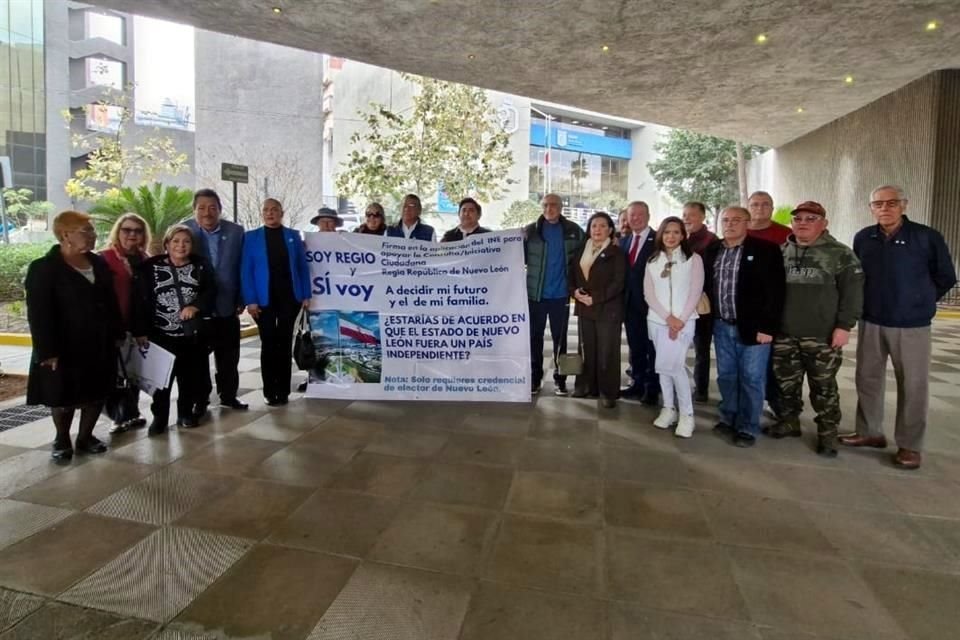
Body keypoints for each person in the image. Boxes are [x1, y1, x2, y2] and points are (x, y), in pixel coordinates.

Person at [841, 185, 957, 469]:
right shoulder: (864, 237)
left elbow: (946, 276)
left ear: (903, 205)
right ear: (871, 208)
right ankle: (870, 432)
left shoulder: (926, 237)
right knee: (868, 379)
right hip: (871, 320)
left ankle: (909, 445)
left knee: (913, 385)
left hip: (912, 325)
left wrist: (920, 300)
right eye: (878, 204)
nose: (885, 208)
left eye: (891, 203)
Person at [25, 211, 123, 461]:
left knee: (97, 391)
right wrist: (47, 351)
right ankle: (62, 438)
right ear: (65, 234)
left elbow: (110, 302)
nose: (92, 235)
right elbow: (39, 314)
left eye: (91, 231)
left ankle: (85, 436)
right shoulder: (44, 269)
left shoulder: (98, 263)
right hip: (64, 346)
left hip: (99, 342)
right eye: (85, 231)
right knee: (63, 396)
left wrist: (118, 331)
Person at [769, 201, 863, 457]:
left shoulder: (840, 254)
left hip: (822, 335)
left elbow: (853, 295)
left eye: (810, 219)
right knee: (786, 384)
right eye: (798, 218)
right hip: (785, 333)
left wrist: (844, 326)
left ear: (824, 223)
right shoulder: (781, 252)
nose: (802, 223)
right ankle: (789, 422)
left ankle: (827, 434)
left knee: (823, 388)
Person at [703, 206, 785, 447]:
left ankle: (748, 427)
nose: (729, 224)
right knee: (727, 376)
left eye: (736, 220)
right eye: (725, 220)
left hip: (753, 327)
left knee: (751, 378)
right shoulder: (713, 250)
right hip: (721, 324)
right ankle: (728, 418)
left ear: (747, 223)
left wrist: (768, 327)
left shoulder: (765, 251)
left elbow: (776, 292)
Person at [133, 225, 216, 434]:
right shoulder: (150, 267)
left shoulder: (201, 266)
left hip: (190, 336)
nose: (181, 245)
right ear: (167, 244)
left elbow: (210, 291)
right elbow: (139, 302)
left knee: (188, 378)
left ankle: (185, 414)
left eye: (186, 241)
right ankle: (159, 418)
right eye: (176, 241)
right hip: (160, 335)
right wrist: (140, 330)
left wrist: (195, 305)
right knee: (161, 381)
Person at [242, 198, 312, 406]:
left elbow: (301, 267)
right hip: (263, 302)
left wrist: (305, 294)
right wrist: (251, 300)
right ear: (262, 213)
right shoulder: (251, 238)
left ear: (282, 213)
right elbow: (246, 271)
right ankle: (269, 390)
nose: (270, 213)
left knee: (284, 344)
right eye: (266, 210)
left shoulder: (292, 236)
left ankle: (283, 391)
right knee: (268, 344)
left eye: (274, 210)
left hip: (289, 299)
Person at [183, 188, 247, 414]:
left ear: (220, 210)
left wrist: (242, 297)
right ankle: (201, 400)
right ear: (194, 210)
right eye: (201, 208)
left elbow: (242, 266)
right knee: (199, 358)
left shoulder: (236, 231)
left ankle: (229, 396)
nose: (207, 213)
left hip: (228, 303)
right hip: (197, 306)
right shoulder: (185, 231)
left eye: (212, 208)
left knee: (229, 356)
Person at [644, 216, 704, 438]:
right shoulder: (653, 260)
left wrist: (679, 320)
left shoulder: (693, 259)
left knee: (676, 367)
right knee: (663, 366)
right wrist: (667, 318)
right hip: (658, 321)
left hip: (684, 322)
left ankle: (687, 414)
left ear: (683, 235)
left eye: (676, 232)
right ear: (661, 234)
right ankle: (668, 408)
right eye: (667, 232)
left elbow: (695, 291)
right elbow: (648, 294)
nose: (671, 236)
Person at [523, 193, 585, 395]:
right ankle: (535, 378)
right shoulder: (530, 231)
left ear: (561, 207)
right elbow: (514, 257)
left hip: (561, 295)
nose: (549, 208)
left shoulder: (573, 231)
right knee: (534, 338)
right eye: (546, 205)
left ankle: (560, 379)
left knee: (561, 339)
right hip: (536, 295)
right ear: (541, 207)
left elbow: (588, 252)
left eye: (554, 205)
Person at [568, 212, 625, 408]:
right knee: (586, 349)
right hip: (584, 307)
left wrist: (596, 298)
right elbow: (571, 276)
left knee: (607, 351)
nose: (597, 230)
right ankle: (585, 386)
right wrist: (575, 292)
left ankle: (608, 392)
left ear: (610, 229)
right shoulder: (580, 250)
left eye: (602, 226)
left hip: (607, 309)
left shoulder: (616, 253)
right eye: (594, 226)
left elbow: (618, 283)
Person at [100, 213, 151, 434]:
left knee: (133, 373)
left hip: (138, 325)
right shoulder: (104, 258)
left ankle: (132, 413)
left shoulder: (145, 259)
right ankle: (117, 416)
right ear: (118, 232)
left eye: (137, 231)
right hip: (114, 325)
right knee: (114, 374)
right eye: (127, 230)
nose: (132, 235)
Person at [297, 206, 342, 393]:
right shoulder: (307, 244)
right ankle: (313, 377)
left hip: (340, 297)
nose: (327, 226)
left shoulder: (344, 242)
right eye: (323, 222)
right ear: (317, 225)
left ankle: (337, 376)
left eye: (331, 222)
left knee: (338, 340)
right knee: (316, 341)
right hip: (316, 298)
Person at [619, 201, 659, 404]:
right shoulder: (624, 241)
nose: (635, 219)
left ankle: (652, 389)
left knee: (653, 348)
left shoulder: (659, 240)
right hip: (630, 306)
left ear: (648, 216)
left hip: (653, 307)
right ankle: (637, 383)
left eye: (639, 215)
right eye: (631, 215)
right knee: (636, 348)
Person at [683, 201, 718, 403]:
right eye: (685, 214)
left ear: (703, 217)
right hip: (681, 301)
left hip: (702, 302)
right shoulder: (681, 238)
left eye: (692, 215)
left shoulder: (710, 241)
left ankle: (701, 388)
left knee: (701, 347)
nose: (687, 218)